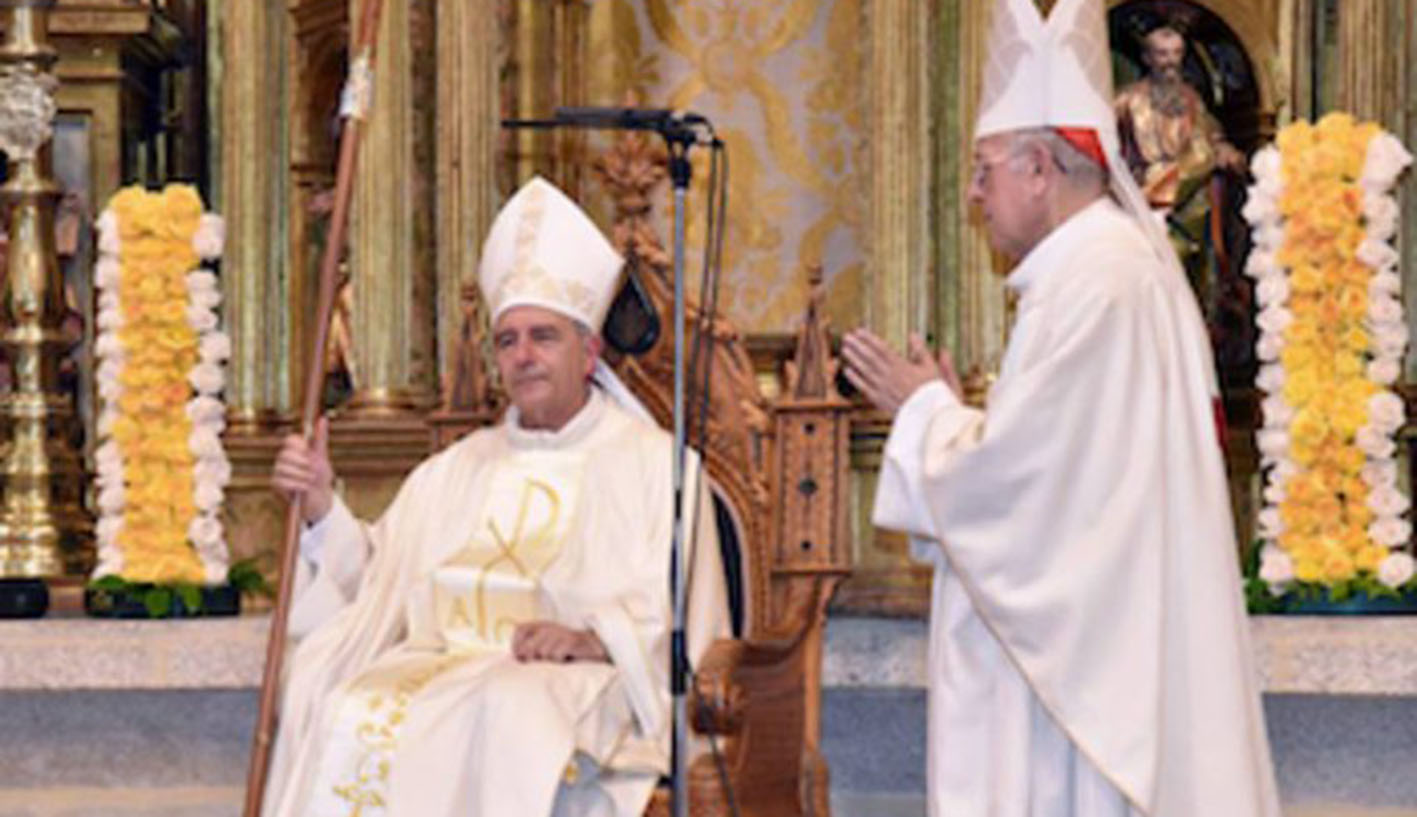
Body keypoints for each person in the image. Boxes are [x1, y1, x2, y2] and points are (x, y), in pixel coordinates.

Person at [842, 0, 1281, 815]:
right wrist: (948, 419)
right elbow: (1055, 477)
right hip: (1084, 668)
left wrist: (924, 413)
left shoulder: (1099, 284)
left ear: (1040, 167)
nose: (974, 195)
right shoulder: (1096, 276)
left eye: (985, 169)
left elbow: (1024, 490)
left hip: (1077, 703)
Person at [265, 176, 728, 817]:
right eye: (508, 341)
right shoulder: (453, 470)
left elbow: (687, 624)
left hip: (580, 689)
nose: (524, 356)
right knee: (331, 685)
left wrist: (594, 639)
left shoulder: (659, 469)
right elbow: (379, 584)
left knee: (511, 707)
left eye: (544, 336)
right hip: (444, 677)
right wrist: (320, 503)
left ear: (590, 352)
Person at [1115, 23, 1246, 214]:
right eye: (1163, 54)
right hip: (1142, 197)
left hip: (1188, 196)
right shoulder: (1126, 100)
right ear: (1147, 58)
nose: (1171, 61)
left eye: (1177, 53)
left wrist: (1226, 153)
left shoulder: (1191, 99)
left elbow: (1212, 138)